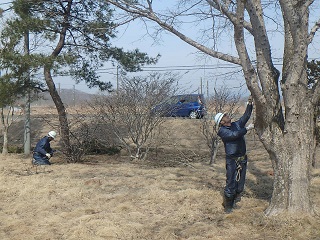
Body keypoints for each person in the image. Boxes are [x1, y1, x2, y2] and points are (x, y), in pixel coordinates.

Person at [214, 96, 254, 213]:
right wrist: (247, 129)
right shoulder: (222, 131)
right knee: (231, 182)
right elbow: (234, 135)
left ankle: (235, 197)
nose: (227, 116)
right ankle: (228, 206)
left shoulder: (236, 125)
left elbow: (245, 117)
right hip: (232, 160)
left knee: (240, 185)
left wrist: (249, 104)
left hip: (242, 159)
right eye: (225, 116)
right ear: (222, 122)